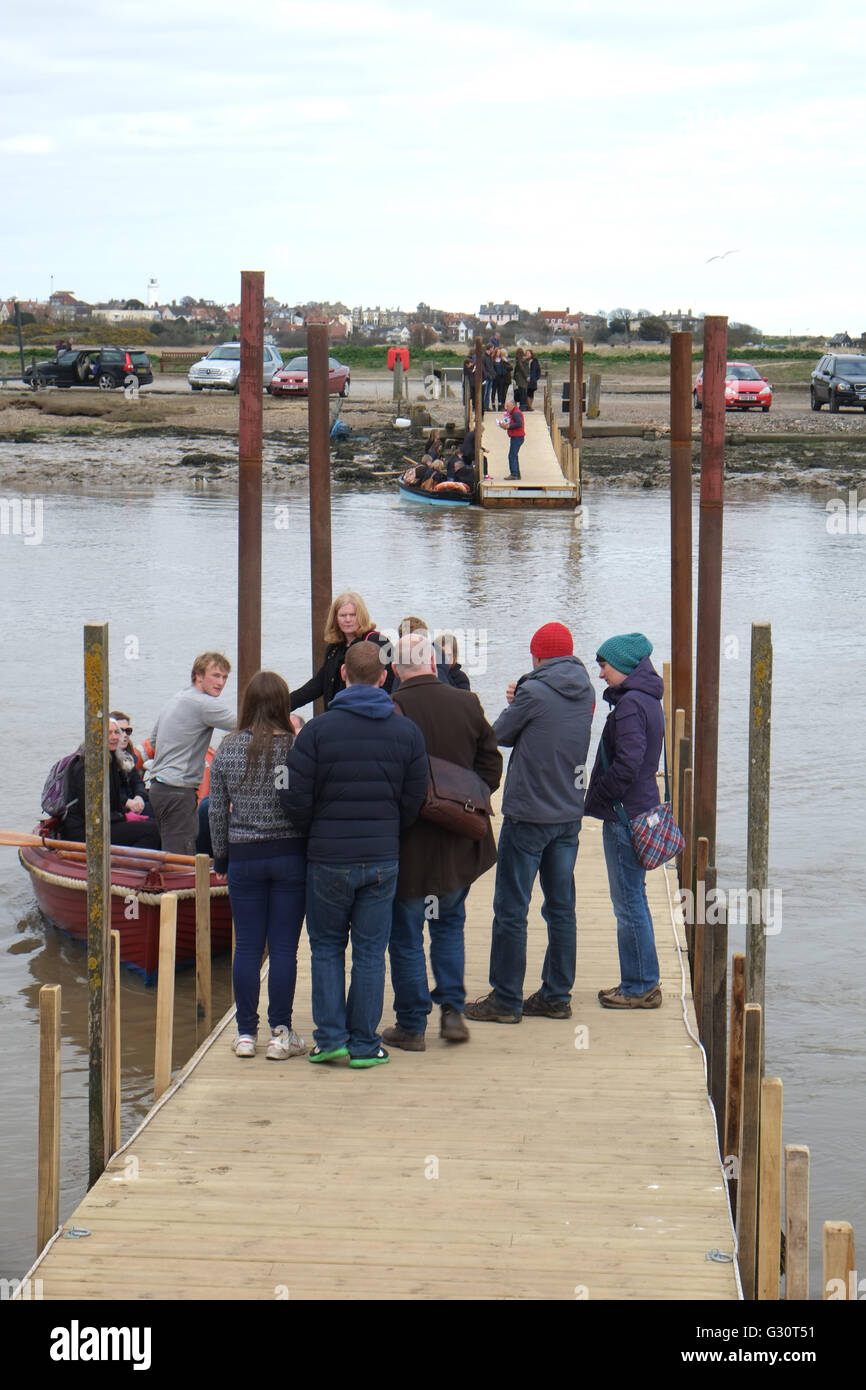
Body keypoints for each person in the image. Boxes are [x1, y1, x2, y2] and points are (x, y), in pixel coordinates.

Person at [279, 641, 428, 1067]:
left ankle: (330, 1040)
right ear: (385, 678)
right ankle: (365, 1044)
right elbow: (414, 797)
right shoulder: (406, 731)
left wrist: (313, 829)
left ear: (343, 675)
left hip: (326, 857)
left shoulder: (317, 730)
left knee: (326, 947)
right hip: (382, 857)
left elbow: (293, 793)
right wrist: (391, 828)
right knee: (369, 950)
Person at [465, 622, 593, 1024]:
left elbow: (497, 735)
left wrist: (518, 695)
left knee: (511, 908)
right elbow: (550, 712)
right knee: (561, 908)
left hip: (528, 816)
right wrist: (524, 688)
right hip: (569, 815)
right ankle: (556, 996)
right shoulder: (586, 689)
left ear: (537, 656)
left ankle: (505, 999)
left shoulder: (533, 693)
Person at [385, 634, 502, 1049]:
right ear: (433, 665)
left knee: (405, 935)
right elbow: (491, 764)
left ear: (396, 670)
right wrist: (468, 798)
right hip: (457, 840)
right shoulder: (466, 704)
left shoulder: (391, 709)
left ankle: (412, 1025)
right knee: (449, 926)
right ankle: (452, 1011)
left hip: (407, 842)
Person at [208, 671, 308, 1060]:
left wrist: (222, 857)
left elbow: (217, 811)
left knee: (248, 946)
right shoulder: (296, 747)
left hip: (244, 857)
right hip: (289, 855)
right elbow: (305, 803)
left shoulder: (228, 747)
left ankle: (245, 1034)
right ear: (284, 705)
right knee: (284, 948)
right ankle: (280, 1034)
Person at [583, 633, 665, 1009]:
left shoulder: (631, 704)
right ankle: (642, 980)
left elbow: (629, 763)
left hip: (625, 815)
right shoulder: (647, 699)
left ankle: (639, 986)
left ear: (625, 666)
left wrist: (599, 796)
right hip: (643, 809)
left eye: (604, 666)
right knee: (635, 899)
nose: (600, 674)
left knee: (628, 903)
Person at [148, 652, 235, 855]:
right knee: (181, 859)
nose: (221, 683)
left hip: (158, 789)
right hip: (178, 790)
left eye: (225, 677)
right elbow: (246, 725)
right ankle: (180, 888)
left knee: (169, 851)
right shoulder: (205, 703)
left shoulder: (176, 698)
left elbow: (153, 741)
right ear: (198, 675)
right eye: (215, 675)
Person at [60, 719, 162, 850]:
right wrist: (124, 816)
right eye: (109, 733)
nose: (114, 737)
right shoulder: (86, 766)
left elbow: (114, 800)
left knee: (156, 824)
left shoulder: (113, 761)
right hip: (86, 829)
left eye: (116, 733)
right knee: (151, 831)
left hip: (107, 821)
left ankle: (142, 862)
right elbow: (89, 808)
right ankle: (131, 867)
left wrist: (127, 811)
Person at [289, 590, 391, 712]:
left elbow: (390, 681)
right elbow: (319, 684)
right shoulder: (334, 647)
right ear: (335, 618)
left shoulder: (379, 641)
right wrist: (284, 704)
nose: (347, 620)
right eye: (342, 615)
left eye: (353, 615)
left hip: (367, 712)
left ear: (361, 616)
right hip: (336, 713)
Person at [500, 401, 525, 479]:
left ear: (513, 406)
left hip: (517, 436)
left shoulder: (516, 413)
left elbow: (519, 423)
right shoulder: (513, 413)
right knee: (514, 455)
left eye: (508, 406)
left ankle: (514, 474)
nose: (506, 408)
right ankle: (517, 473)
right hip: (516, 436)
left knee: (512, 455)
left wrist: (508, 426)